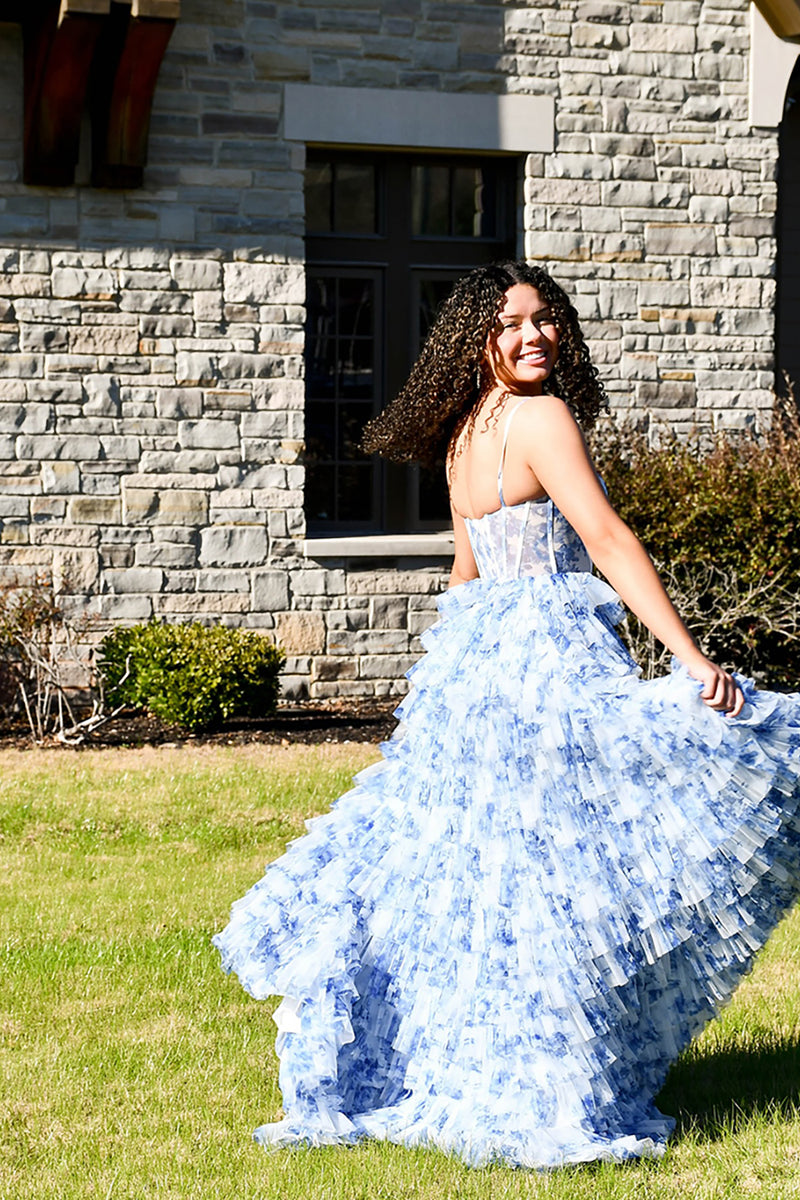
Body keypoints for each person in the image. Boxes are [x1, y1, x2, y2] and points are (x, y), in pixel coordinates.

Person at [213, 260, 800, 1169]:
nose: (534, 337)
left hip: (478, 668)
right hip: (537, 670)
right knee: (570, 862)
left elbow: (464, 577)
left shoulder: (465, 431)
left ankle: (503, 1062)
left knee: (499, 875)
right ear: (475, 342)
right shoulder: (540, 417)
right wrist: (688, 656)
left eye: (545, 320)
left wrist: (439, 688)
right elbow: (605, 537)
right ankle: (549, 1082)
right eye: (511, 325)